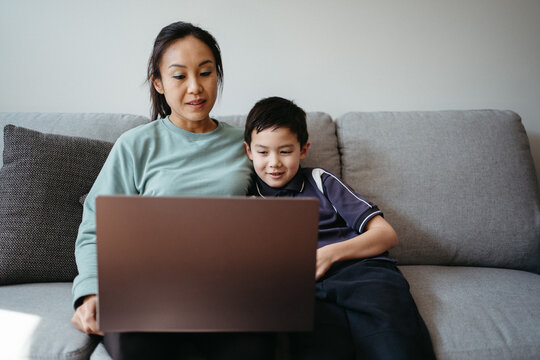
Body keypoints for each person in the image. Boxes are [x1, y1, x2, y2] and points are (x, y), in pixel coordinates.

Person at [71, 21, 274, 359]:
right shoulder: (135, 145)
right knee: (138, 346)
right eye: (179, 76)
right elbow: (95, 228)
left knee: (254, 347)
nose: (195, 87)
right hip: (148, 291)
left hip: (228, 292)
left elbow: (280, 209)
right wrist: (90, 292)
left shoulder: (249, 144)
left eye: (206, 73)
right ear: (159, 83)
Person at [243, 96, 436, 360]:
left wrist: (329, 254)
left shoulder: (320, 180)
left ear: (303, 149)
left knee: (395, 347)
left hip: (362, 272)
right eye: (263, 152)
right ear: (248, 151)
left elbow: (385, 235)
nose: (274, 162)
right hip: (308, 287)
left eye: (285, 151)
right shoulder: (244, 194)